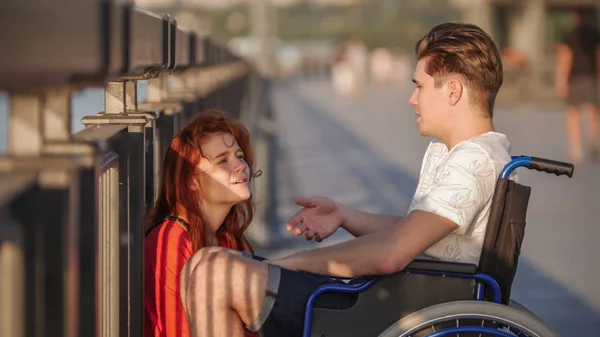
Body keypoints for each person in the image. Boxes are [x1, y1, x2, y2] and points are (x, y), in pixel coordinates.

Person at [180, 22, 515, 337]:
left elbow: (391, 253)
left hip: (389, 311)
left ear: (453, 91)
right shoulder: (466, 154)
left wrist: (296, 262)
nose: (412, 98)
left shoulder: (474, 161)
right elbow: (413, 234)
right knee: (207, 262)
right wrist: (344, 215)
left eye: (420, 86)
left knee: (214, 273)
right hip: (397, 300)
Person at [144, 109, 261, 337]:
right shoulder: (170, 240)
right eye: (222, 161)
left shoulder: (224, 238)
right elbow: (176, 330)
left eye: (239, 155)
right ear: (190, 181)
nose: (240, 165)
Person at [555, 7, 600, 163]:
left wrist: (562, 79)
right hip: (592, 76)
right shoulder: (595, 34)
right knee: (593, 110)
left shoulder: (570, 35)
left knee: (573, 113)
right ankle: (593, 140)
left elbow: (565, 57)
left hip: (574, 77)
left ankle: (576, 148)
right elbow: (598, 56)